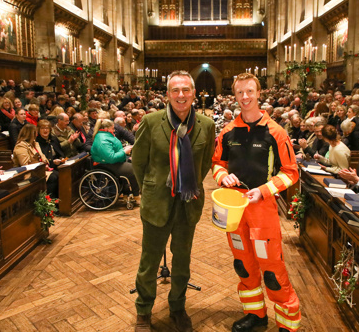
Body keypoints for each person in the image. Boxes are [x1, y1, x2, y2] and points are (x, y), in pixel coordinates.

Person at [212, 73, 301, 332]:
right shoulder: (228, 132)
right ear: (234, 95)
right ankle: (256, 315)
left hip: (262, 209)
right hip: (234, 208)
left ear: (259, 93)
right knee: (243, 264)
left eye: (249, 91)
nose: (245, 97)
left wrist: (264, 190)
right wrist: (222, 176)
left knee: (271, 269)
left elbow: (291, 171)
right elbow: (217, 163)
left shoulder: (276, 131)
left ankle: (288, 322)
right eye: (240, 93)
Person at [132, 71, 215, 332]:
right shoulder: (151, 121)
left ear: (194, 93)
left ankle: (177, 306)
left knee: (182, 260)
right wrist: (152, 186)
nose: (181, 95)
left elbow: (206, 162)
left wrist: (188, 184)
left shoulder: (206, 125)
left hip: (188, 203)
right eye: (175, 90)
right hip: (157, 201)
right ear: (167, 94)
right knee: (150, 259)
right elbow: (138, 161)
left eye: (186, 90)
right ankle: (144, 309)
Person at [90, 119, 139, 201]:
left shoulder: (106, 135)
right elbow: (111, 157)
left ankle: (127, 193)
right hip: (106, 164)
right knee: (133, 169)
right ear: (106, 129)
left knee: (134, 162)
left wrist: (124, 149)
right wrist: (124, 151)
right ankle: (136, 195)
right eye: (112, 128)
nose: (114, 130)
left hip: (112, 162)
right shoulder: (103, 140)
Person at [13, 124, 59, 198]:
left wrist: (45, 164)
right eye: (35, 133)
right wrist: (41, 165)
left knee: (58, 174)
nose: (36, 135)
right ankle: (48, 200)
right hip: (28, 173)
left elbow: (43, 157)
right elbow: (25, 164)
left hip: (39, 170)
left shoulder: (34, 144)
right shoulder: (21, 145)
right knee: (52, 177)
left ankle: (56, 201)